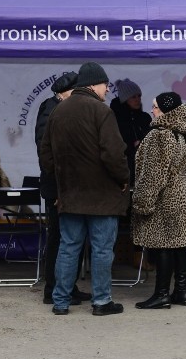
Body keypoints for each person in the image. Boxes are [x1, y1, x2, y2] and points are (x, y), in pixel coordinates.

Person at [39, 61, 130, 316]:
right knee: (101, 250)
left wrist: (60, 183)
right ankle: (101, 302)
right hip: (102, 197)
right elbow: (114, 154)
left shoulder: (58, 111)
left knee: (68, 248)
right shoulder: (102, 112)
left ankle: (60, 302)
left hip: (70, 195)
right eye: (105, 85)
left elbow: (45, 156)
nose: (107, 90)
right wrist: (123, 178)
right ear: (93, 84)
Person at [131, 92, 186, 309]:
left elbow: (154, 174)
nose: (152, 110)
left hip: (166, 196)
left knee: (163, 244)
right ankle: (181, 292)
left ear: (165, 110)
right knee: (180, 245)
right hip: (185, 194)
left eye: (155, 107)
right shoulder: (185, 133)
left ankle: (162, 294)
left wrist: (143, 202)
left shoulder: (160, 135)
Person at [34, 70, 90, 305]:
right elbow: (48, 155)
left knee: (71, 238)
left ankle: (68, 286)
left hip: (66, 187)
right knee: (58, 238)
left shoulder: (57, 107)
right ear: (65, 92)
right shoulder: (51, 110)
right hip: (58, 188)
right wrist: (59, 190)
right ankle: (53, 289)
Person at [110, 78, 152, 184]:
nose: (137, 99)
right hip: (124, 171)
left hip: (145, 171)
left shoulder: (145, 118)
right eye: (133, 97)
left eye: (139, 96)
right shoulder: (115, 119)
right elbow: (112, 145)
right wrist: (131, 146)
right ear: (125, 99)